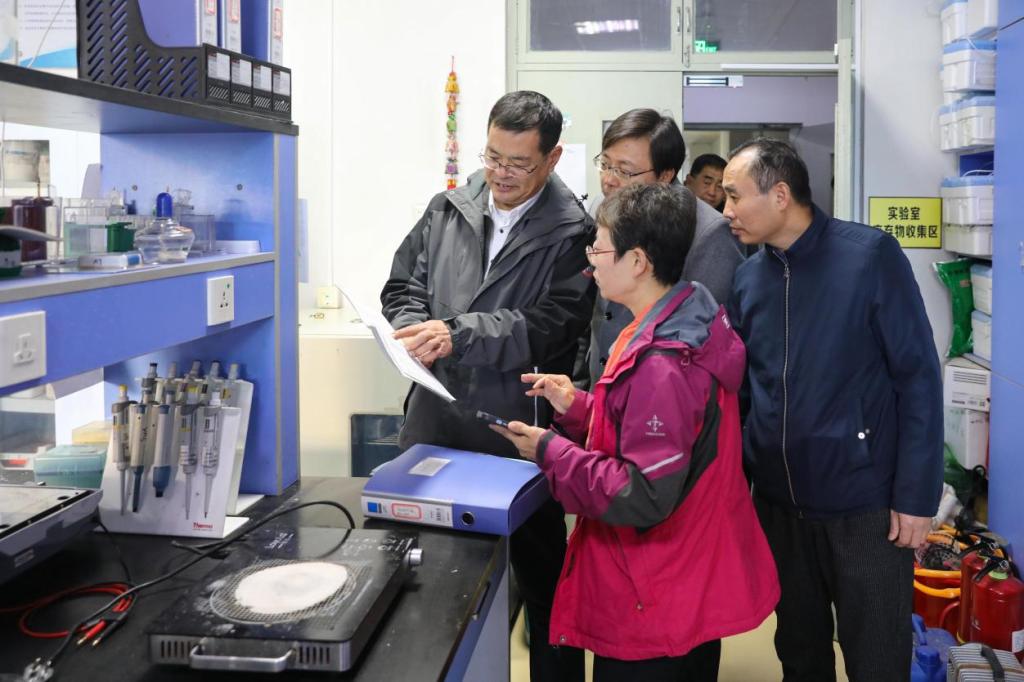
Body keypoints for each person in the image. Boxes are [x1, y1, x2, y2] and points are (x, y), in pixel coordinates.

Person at [492, 182, 779, 682]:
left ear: (639, 261)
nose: (591, 263)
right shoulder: (673, 320)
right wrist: (578, 406)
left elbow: (642, 492)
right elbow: (646, 432)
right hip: (681, 576)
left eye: (600, 249)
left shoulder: (663, 363)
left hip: (655, 590)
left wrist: (550, 451)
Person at [380, 91, 594, 682]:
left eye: (518, 163)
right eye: (493, 156)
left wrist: (458, 334)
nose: (501, 173)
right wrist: (416, 333)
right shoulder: (449, 207)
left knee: (544, 589)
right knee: (427, 582)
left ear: (551, 159)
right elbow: (401, 287)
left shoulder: (573, 232)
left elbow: (554, 324)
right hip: (437, 424)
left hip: (516, 435)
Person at [724, 138, 943, 682]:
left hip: (864, 507)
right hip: (779, 507)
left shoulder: (868, 257)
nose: (726, 210)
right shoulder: (749, 278)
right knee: (799, 654)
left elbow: (917, 376)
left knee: (877, 659)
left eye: (735, 195)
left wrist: (916, 496)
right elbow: (745, 392)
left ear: (780, 195)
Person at [583, 110, 746, 392]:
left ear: (665, 175)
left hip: (663, 394)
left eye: (624, 171)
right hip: (601, 384)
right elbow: (595, 307)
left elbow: (708, 339)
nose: (609, 179)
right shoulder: (602, 206)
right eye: (606, 164)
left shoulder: (707, 232)